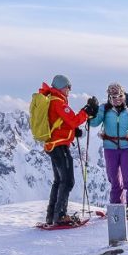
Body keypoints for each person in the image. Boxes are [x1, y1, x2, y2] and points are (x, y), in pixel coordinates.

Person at [87, 82, 128, 217]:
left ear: (124, 95)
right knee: (114, 179)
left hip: (127, 147)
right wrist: (91, 112)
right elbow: (94, 123)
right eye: (113, 97)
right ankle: (116, 207)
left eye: (119, 96)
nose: (117, 99)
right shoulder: (104, 109)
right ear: (109, 98)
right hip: (110, 148)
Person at [37, 75, 93, 226]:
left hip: (53, 145)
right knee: (67, 181)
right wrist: (86, 111)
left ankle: (52, 216)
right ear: (62, 87)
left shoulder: (52, 101)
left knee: (58, 181)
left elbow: (60, 123)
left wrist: (74, 132)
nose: (70, 90)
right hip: (59, 146)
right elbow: (73, 119)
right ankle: (60, 215)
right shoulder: (58, 102)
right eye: (69, 87)